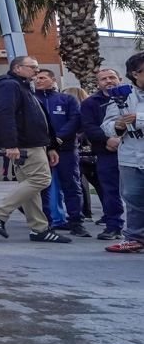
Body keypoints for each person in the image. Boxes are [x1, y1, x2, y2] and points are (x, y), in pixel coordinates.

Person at [0, 55, 69, 243]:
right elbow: (5, 115)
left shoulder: (22, 86)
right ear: (18, 68)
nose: (37, 70)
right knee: (41, 179)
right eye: (33, 67)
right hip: (26, 145)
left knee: (31, 187)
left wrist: (50, 146)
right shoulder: (9, 85)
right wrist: (11, 144)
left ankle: (39, 229)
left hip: (32, 144)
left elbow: (38, 119)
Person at [33, 69, 88, 236]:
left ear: (53, 79)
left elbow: (75, 120)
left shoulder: (67, 99)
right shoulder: (31, 99)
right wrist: (47, 141)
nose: (38, 81)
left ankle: (76, 222)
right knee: (43, 188)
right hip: (41, 150)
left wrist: (58, 138)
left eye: (42, 78)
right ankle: (46, 224)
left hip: (66, 149)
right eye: (36, 78)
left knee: (72, 186)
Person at [102, 52, 144, 253]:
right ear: (135, 74)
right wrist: (117, 126)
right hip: (130, 157)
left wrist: (138, 119)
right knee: (133, 200)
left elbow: (137, 119)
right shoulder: (122, 95)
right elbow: (107, 124)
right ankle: (135, 238)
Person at [81, 68, 127, 241]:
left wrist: (121, 139)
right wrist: (107, 140)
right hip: (107, 152)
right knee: (110, 191)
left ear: (119, 79)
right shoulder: (90, 103)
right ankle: (113, 227)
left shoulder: (133, 97)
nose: (108, 81)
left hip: (135, 152)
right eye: (104, 79)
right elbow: (88, 126)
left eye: (112, 77)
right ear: (97, 83)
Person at [64, 86, 103, 222]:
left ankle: (85, 212)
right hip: (92, 152)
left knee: (79, 183)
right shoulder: (89, 110)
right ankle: (103, 213)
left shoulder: (74, 113)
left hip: (78, 151)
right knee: (97, 183)